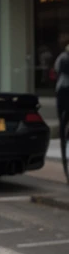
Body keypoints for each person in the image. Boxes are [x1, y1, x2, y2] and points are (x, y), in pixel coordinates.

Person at [54, 42, 69, 178]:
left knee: (63, 123)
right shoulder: (63, 58)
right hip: (64, 93)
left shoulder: (61, 58)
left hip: (62, 92)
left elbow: (56, 69)